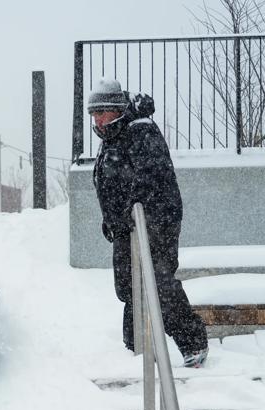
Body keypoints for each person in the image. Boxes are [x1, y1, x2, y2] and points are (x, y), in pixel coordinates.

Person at [89, 78, 209, 368]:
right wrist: (112, 219)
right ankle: (135, 349)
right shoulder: (113, 138)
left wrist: (133, 211)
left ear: (116, 109)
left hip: (154, 222)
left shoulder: (139, 130)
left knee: (158, 282)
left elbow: (150, 177)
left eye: (101, 113)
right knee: (129, 287)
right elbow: (110, 183)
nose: (97, 120)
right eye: (93, 115)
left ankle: (193, 343)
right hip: (126, 227)